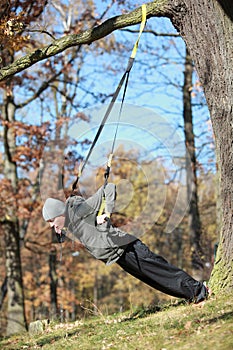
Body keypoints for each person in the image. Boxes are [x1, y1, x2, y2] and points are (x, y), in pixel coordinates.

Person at [42, 183, 210, 304]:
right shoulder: (69, 223)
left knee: (161, 271)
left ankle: (199, 291)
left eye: (51, 220)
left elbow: (108, 188)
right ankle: (192, 296)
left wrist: (106, 214)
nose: (51, 225)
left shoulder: (79, 209)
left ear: (60, 213)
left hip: (128, 248)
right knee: (155, 280)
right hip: (119, 256)